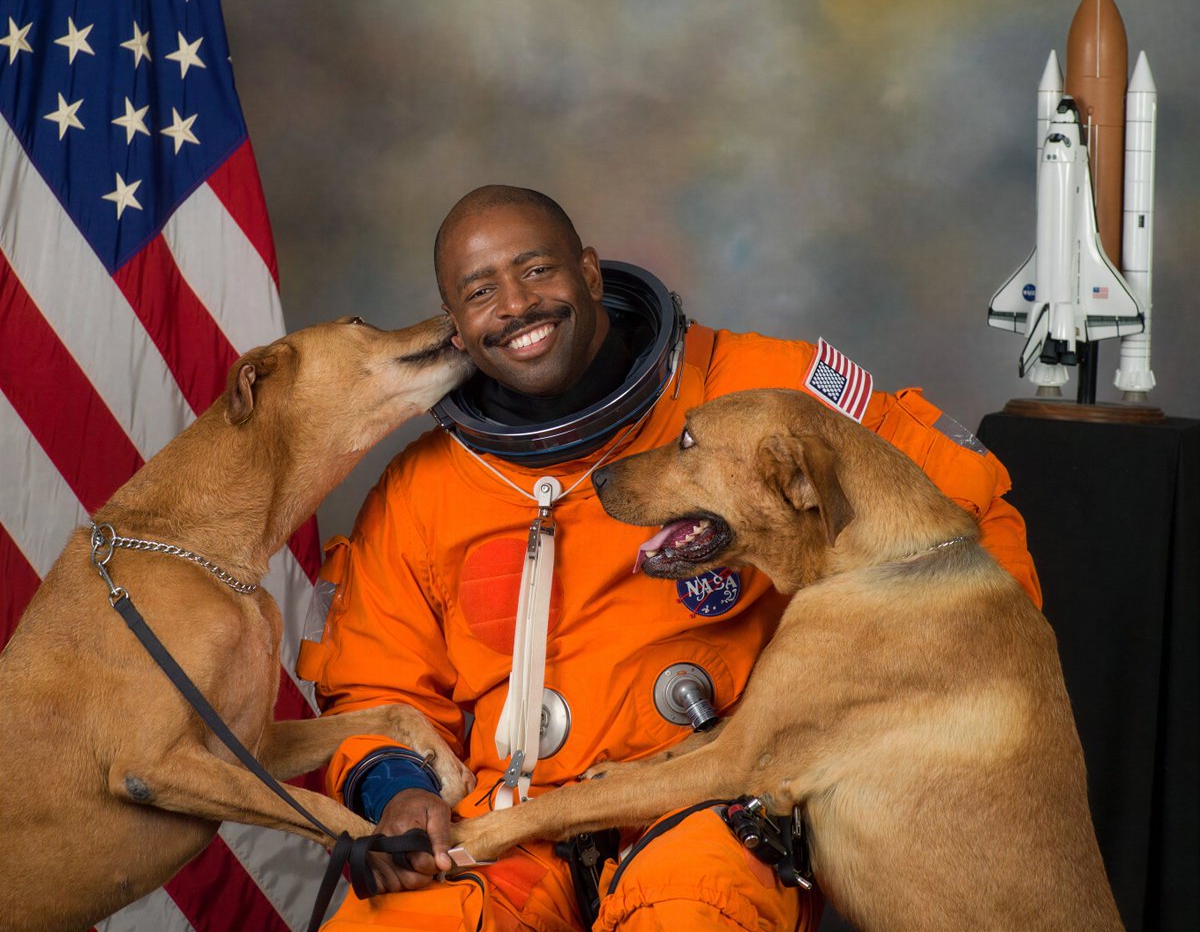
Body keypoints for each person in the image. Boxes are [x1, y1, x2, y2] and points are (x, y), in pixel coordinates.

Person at [297, 185, 1042, 932]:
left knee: (698, 909)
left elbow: (956, 509)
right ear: (455, 324)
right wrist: (395, 790)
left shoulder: (758, 393)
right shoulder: (420, 491)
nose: (517, 305)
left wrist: (927, 719)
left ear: (589, 274)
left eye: (536, 271)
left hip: (709, 810)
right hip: (501, 827)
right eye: (481, 291)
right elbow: (373, 683)